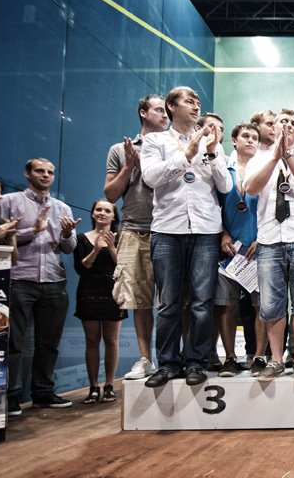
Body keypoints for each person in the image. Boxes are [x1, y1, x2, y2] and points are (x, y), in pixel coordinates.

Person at [140, 86, 233, 388]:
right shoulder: (155, 141)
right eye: (189, 101)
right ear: (171, 106)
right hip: (168, 229)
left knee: (201, 302)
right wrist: (186, 155)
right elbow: (150, 178)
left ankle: (196, 362)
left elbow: (226, 186)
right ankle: (167, 363)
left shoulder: (211, 143)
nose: (196, 106)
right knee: (168, 302)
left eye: (198, 102)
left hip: (205, 230)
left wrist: (212, 152)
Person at [1, 158, 81, 414]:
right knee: (13, 343)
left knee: (48, 343)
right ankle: (10, 397)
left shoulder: (62, 208)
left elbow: (69, 248)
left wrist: (66, 234)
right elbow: (0, 239)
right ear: (28, 173)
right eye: (40, 171)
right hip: (19, 279)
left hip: (54, 280)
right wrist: (33, 230)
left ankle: (43, 393)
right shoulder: (9, 202)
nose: (46, 175)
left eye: (50, 172)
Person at [244, 110, 294, 381]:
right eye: (282, 122)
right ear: (273, 128)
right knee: (271, 304)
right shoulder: (258, 159)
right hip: (269, 240)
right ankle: (276, 359)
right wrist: (275, 157)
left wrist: (288, 157)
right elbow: (251, 188)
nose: (287, 126)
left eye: (293, 124)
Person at [104, 94, 168, 381]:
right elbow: (110, 194)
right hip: (133, 230)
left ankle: (174, 358)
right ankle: (145, 359)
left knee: (173, 300)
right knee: (140, 301)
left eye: (167, 111)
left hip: (169, 231)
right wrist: (129, 166)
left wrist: (144, 163)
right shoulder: (120, 150)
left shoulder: (172, 147)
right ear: (143, 112)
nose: (165, 115)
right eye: (159, 110)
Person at [214, 122, 265, 377]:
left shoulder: (264, 171)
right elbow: (213, 205)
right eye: (245, 135)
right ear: (234, 140)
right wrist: (223, 233)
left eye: (255, 137)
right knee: (226, 305)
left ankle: (258, 357)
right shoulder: (223, 170)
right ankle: (230, 358)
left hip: (257, 248)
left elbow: (270, 209)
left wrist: (262, 238)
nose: (251, 140)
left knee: (260, 307)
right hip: (230, 249)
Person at [73, 199, 126, 404]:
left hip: (113, 293)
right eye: (98, 209)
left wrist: (111, 247)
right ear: (93, 213)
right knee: (92, 340)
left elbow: (122, 265)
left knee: (111, 340)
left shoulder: (120, 238)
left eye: (107, 210)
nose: (102, 213)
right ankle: (93, 387)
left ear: (114, 216)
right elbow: (81, 268)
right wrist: (96, 249)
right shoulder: (81, 238)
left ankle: (109, 385)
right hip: (88, 292)